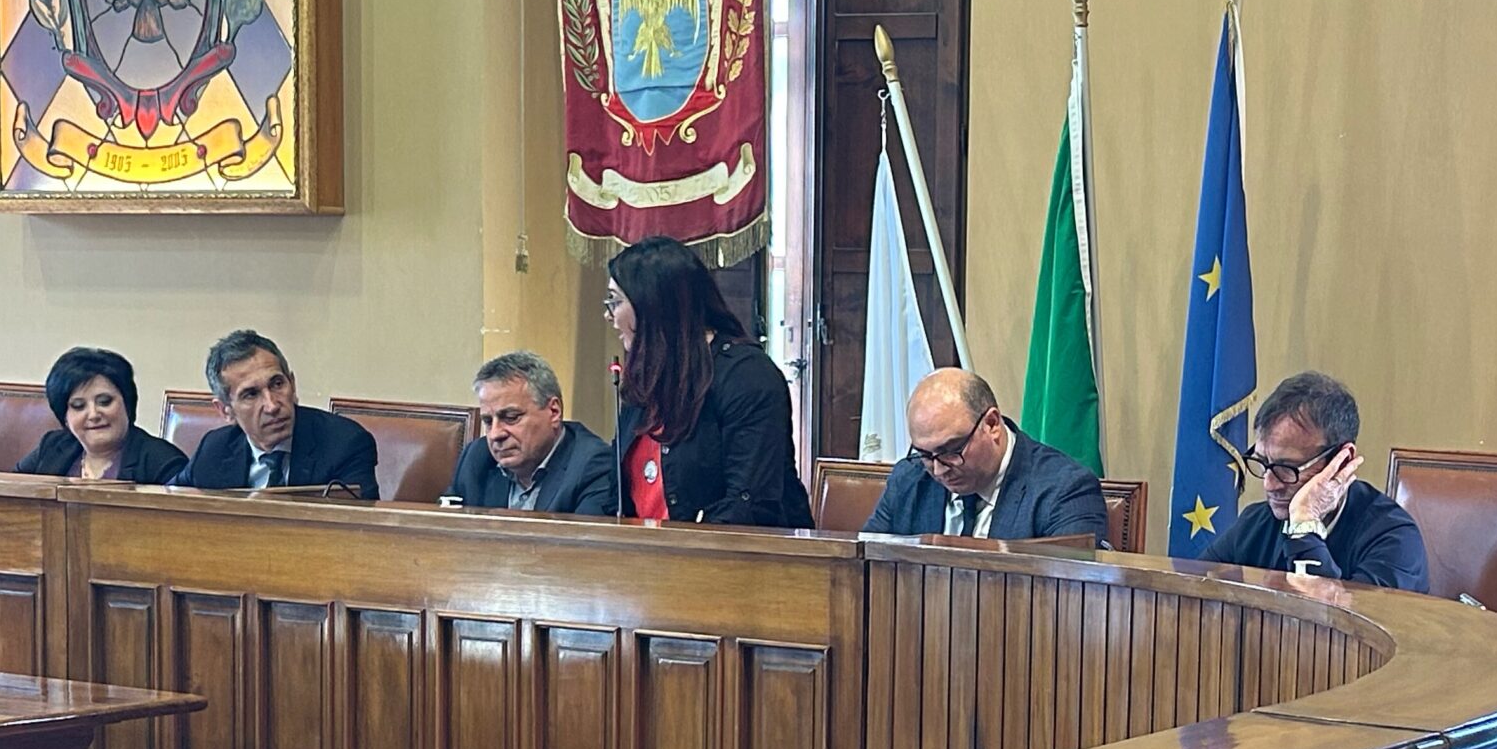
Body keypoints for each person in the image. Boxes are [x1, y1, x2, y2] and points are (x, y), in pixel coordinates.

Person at [605, 239, 811, 526]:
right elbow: (616, 496)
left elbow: (750, 504)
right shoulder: (645, 378)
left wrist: (677, 546)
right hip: (649, 550)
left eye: (615, 301)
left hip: (739, 551)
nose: (608, 315)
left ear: (651, 304)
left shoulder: (748, 376)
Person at [1200, 372, 1427, 591]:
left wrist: (1305, 524)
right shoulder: (1257, 522)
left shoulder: (1396, 540)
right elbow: (1196, 588)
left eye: (1287, 467)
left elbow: (1333, 614)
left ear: (1342, 461)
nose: (1270, 484)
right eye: (1263, 462)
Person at [862, 368, 1109, 544]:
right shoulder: (908, 479)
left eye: (951, 450)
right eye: (925, 454)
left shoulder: (1065, 491)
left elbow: (1069, 595)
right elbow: (864, 569)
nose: (938, 469)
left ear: (991, 424)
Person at [184, 329, 379, 497]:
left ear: (292, 384)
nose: (272, 406)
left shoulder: (344, 443)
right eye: (251, 394)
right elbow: (172, 504)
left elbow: (360, 525)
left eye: (277, 384)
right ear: (225, 410)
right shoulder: (214, 450)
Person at [446, 351, 616, 514]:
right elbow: (447, 528)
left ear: (554, 412)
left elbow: (584, 535)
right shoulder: (476, 457)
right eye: (488, 421)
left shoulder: (593, 466)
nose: (495, 434)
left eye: (511, 417)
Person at [13, 347, 189, 484]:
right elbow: (12, 496)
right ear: (65, 417)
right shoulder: (52, 447)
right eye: (78, 406)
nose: (93, 414)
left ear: (127, 403)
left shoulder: (163, 462)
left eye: (105, 402)